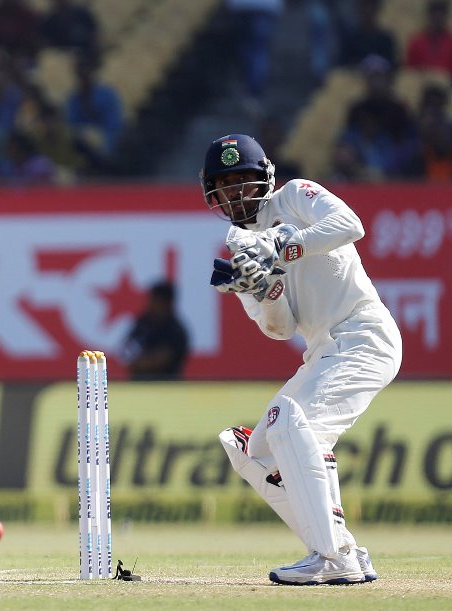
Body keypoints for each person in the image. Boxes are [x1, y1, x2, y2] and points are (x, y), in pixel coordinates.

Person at [202, 134, 401, 585]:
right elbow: (280, 328)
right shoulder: (241, 249)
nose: (235, 192)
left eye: (243, 179)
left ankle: (331, 558)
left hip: (363, 335)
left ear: (265, 178)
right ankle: (343, 549)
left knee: (291, 421)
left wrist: (282, 245)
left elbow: (350, 224)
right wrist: (265, 288)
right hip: (323, 352)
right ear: (212, 193)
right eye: (225, 184)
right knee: (255, 450)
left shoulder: (294, 197)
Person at [120, 281, 189, 381]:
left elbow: (160, 360)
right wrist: (132, 358)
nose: (150, 304)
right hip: (138, 384)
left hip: (166, 385)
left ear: (166, 303)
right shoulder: (143, 323)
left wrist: (141, 361)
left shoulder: (176, 330)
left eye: (154, 300)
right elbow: (126, 350)